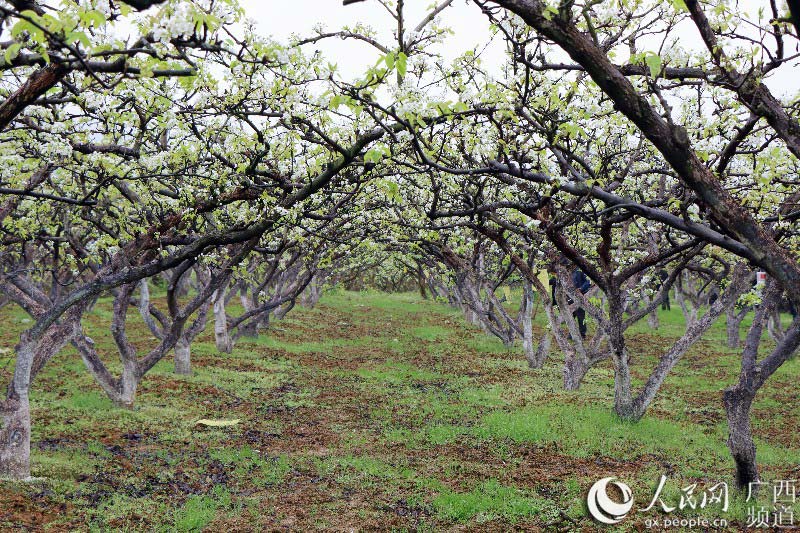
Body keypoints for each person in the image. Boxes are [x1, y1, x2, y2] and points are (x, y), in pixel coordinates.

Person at [550, 263, 592, 338]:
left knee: (580, 315)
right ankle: (572, 333)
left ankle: (582, 333)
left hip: (579, 296)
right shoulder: (568, 272)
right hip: (569, 296)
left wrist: (581, 289)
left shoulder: (580, 271)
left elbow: (588, 282)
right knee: (570, 315)